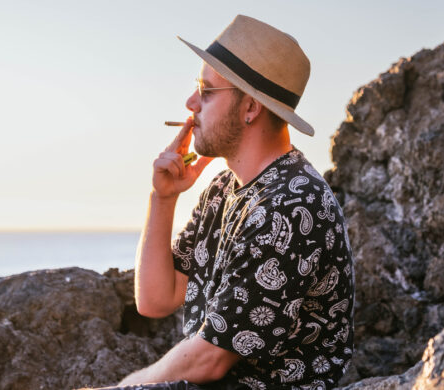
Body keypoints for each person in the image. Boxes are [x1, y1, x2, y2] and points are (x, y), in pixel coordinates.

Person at [95, 15, 354, 390]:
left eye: (206, 91)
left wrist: (120, 388)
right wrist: (162, 198)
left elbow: (211, 357)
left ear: (250, 108)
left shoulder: (291, 204)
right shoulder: (224, 188)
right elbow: (156, 299)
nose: (190, 104)